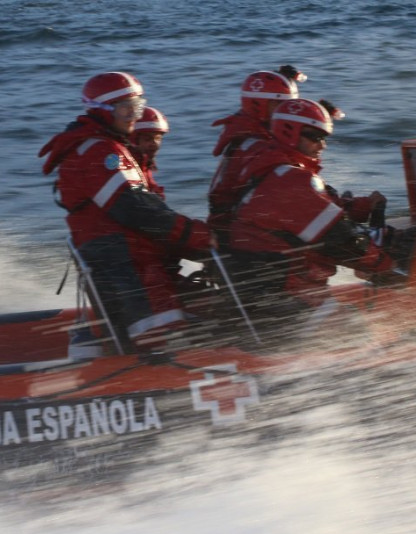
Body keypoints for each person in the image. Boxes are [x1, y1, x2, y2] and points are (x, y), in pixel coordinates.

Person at [39, 72, 213, 353]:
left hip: (129, 259)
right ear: (102, 112)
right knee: (158, 341)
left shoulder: (105, 146)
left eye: (138, 108)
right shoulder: (99, 152)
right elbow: (134, 209)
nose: (134, 116)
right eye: (126, 109)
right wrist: (199, 235)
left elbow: (143, 208)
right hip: (125, 265)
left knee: (193, 297)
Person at [211, 97, 396, 340]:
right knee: (356, 334)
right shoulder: (287, 179)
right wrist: (390, 266)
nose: (322, 145)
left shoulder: (277, 170)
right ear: (291, 133)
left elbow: (325, 210)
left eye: (325, 138)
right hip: (285, 294)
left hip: (273, 289)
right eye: (314, 137)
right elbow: (341, 240)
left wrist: (363, 207)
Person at [208, 66, 305, 224]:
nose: (286, 111)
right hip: (233, 224)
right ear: (259, 104)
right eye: (279, 104)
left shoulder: (251, 131)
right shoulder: (254, 143)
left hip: (237, 216)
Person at [130, 106, 170, 199]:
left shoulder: (145, 165)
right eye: (148, 139)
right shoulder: (130, 167)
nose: (154, 144)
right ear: (133, 140)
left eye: (158, 138)